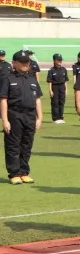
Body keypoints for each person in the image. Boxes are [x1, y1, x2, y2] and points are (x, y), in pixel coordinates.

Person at [2, 50, 43, 185]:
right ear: (14, 63)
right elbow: (3, 100)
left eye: (27, 62)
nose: (25, 64)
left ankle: (24, 172)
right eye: (22, 62)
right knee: (13, 145)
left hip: (30, 115)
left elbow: (37, 99)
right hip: (14, 115)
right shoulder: (8, 79)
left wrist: (40, 118)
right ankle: (14, 173)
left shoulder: (32, 79)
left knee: (27, 144)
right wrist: (5, 120)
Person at [46, 54, 69, 124]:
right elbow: (50, 81)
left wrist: (66, 89)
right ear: (54, 61)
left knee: (61, 102)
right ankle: (55, 118)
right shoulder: (51, 70)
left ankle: (61, 117)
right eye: (58, 60)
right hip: (55, 87)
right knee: (55, 103)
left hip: (62, 87)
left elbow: (65, 81)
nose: (60, 62)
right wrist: (50, 90)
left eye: (60, 60)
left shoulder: (64, 70)